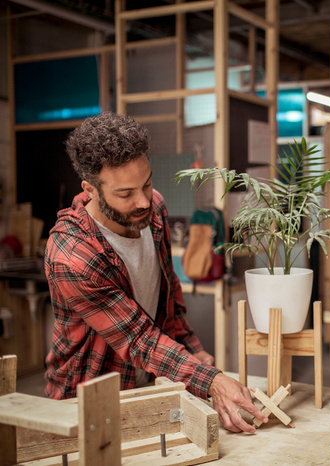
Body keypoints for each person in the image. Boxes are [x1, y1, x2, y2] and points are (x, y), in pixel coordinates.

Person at [44, 111, 267, 433]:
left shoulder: (154, 210)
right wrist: (212, 381)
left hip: (146, 385)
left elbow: (167, 290)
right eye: (125, 193)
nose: (143, 201)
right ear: (90, 190)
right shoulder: (73, 254)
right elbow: (139, 340)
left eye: (147, 184)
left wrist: (193, 348)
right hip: (84, 401)